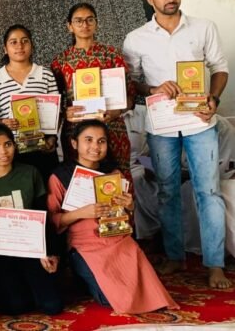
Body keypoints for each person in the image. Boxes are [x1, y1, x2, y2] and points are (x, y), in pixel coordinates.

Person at [123, 0, 231, 289]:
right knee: (167, 190)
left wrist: (214, 99)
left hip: (200, 121)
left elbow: (220, 68)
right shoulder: (136, 38)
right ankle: (174, 255)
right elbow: (133, 83)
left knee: (208, 191)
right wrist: (154, 88)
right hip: (161, 125)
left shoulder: (203, 27)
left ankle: (215, 264)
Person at [46, 120, 178, 313]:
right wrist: (81, 213)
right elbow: (51, 221)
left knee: (148, 293)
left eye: (101, 141)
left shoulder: (113, 174)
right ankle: (83, 277)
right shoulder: (60, 176)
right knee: (110, 299)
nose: (95, 147)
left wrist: (129, 206)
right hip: (85, 245)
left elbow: (125, 215)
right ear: (74, 143)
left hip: (117, 238)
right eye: (88, 140)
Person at [0, 123, 63, 316]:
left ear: (15, 145)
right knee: (16, 306)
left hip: (30, 249)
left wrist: (50, 252)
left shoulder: (30, 173)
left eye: (7, 144)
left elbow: (43, 215)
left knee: (53, 306)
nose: (3, 152)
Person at [50, 3, 134, 182]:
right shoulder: (60, 62)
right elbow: (53, 104)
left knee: (117, 181)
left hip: (111, 128)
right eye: (78, 21)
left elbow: (131, 96)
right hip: (76, 132)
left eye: (90, 20)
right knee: (80, 182)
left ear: (96, 23)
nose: (84, 25)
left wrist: (117, 111)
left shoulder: (112, 55)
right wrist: (65, 113)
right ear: (69, 26)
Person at [0, 24, 60, 182]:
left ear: (31, 45)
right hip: (12, 151)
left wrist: (52, 139)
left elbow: (56, 113)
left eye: (25, 41)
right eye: (13, 42)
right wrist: (3, 123)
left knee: (46, 191)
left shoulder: (45, 74)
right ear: (5, 49)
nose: (19, 46)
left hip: (43, 148)